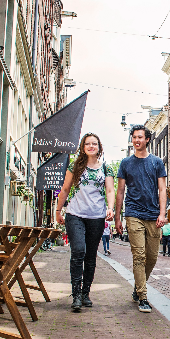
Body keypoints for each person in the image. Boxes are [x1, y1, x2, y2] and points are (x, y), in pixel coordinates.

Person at [55, 133, 115, 312]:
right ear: (83, 147)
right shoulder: (76, 166)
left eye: (94, 143)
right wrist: (58, 210)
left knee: (90, 256)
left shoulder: (106, 168)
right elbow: (65, 189)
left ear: (99, 146)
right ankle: (75, 295)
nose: (91, 146)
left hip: (96, 216)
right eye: (87, 144)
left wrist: (110, 208)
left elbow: (110, 190)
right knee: (78, 251)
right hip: (75, 214)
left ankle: (85, 293)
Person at [115, 125, 167, 313]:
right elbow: (120, 191)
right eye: (134, 137)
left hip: (153, 215)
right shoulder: (125, 163)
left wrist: (162, 213)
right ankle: (143, 297)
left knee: (152, 258)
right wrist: (118, 218)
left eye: (140, 137)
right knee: (139, 256)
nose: (136, 140)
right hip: (133, 213)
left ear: (147, 140)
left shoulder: (157, 162)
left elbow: (162, 189)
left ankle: (138, 288)